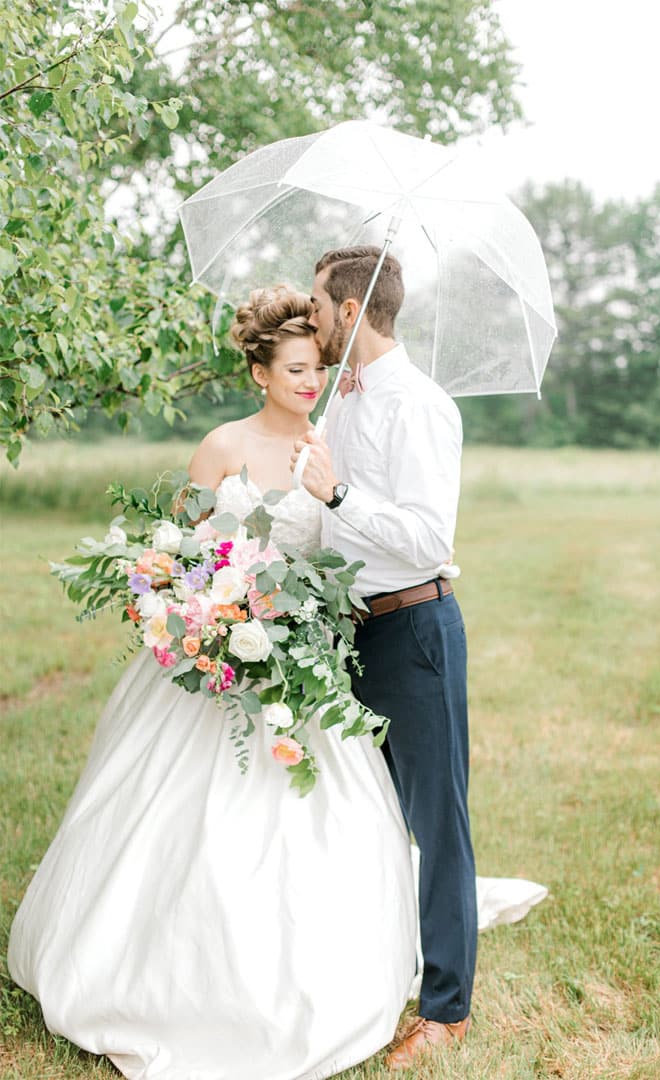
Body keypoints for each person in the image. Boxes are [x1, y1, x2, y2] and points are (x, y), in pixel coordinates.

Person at [7, 286, 419, 1080]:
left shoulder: (330, 447)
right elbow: (177, 552)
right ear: (260, 371)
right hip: (211, 660)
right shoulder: (221, 447)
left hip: (299, 663)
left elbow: (349, 541)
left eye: (317, 368)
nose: (309, 382)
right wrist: (204, 611)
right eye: (295, 369)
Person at [292, 247, 478, 1070]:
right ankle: (365, 971)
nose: (311, 318)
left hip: (414, 631)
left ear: (353, 308)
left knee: (436, 822)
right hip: (345, 631)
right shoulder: (339, 402)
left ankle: (446, 1010)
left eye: (319, 304)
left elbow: (429, 537)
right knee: (356, 813)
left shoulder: (421, 405)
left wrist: (338, 496)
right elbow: (328, 525)